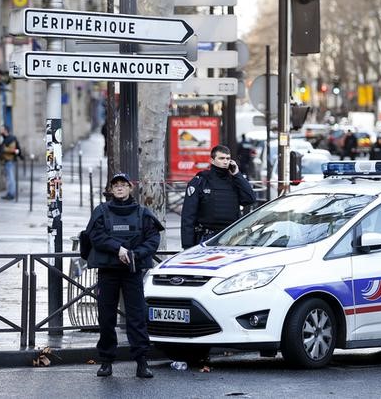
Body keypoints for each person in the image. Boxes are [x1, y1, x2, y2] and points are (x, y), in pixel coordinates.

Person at [83, 173, 164, 378]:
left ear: (130, 188)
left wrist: (136, 254)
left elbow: (153, 238)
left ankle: (142, 361)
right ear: (111, 190)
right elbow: (95, 235)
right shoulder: (101, 211)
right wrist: (118, 248)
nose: (119, 188)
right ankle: (106, 361)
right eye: (115, 185)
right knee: (106, 317)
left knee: (137, 317)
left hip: (132, 271)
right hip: (108, 271)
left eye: (123, 185)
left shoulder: (142, 213)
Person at [181, 145, 256, 249]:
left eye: (228, 158)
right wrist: (187, 245)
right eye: (221, 158)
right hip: (208, 237)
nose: (225, 162)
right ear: (212, 160)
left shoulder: (234, 179)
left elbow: (250, 199)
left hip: (232, 236)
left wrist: (237, 175)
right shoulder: (201, 181)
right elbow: (188, 215)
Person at [0, 125, 19, 200]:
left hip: (10, 161)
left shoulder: (11, 138)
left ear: (5, 130)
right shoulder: (4, 138)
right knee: (8, 178)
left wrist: (3, 148)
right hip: (6, 161)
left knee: (11, 178)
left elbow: (13, 149)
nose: (0, 130)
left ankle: (11, 194)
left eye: (2, 129)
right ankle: (9, 193)